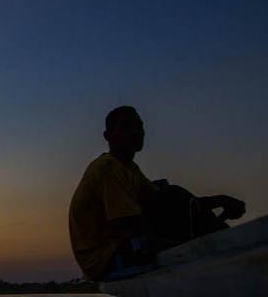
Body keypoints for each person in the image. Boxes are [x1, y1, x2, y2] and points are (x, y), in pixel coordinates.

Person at [68, 106, 246, 281]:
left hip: (120, 247)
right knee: (176, 202)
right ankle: (234, 254)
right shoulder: (108, 167)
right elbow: (127, 223)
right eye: (126, 127)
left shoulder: (130, 169)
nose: (136, 132)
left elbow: (165, 201)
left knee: (172, 193)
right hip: (105, 259)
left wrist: (219, 201)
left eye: (139, 126)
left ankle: (231, 250)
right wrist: (185, 239)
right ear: (108, 136)